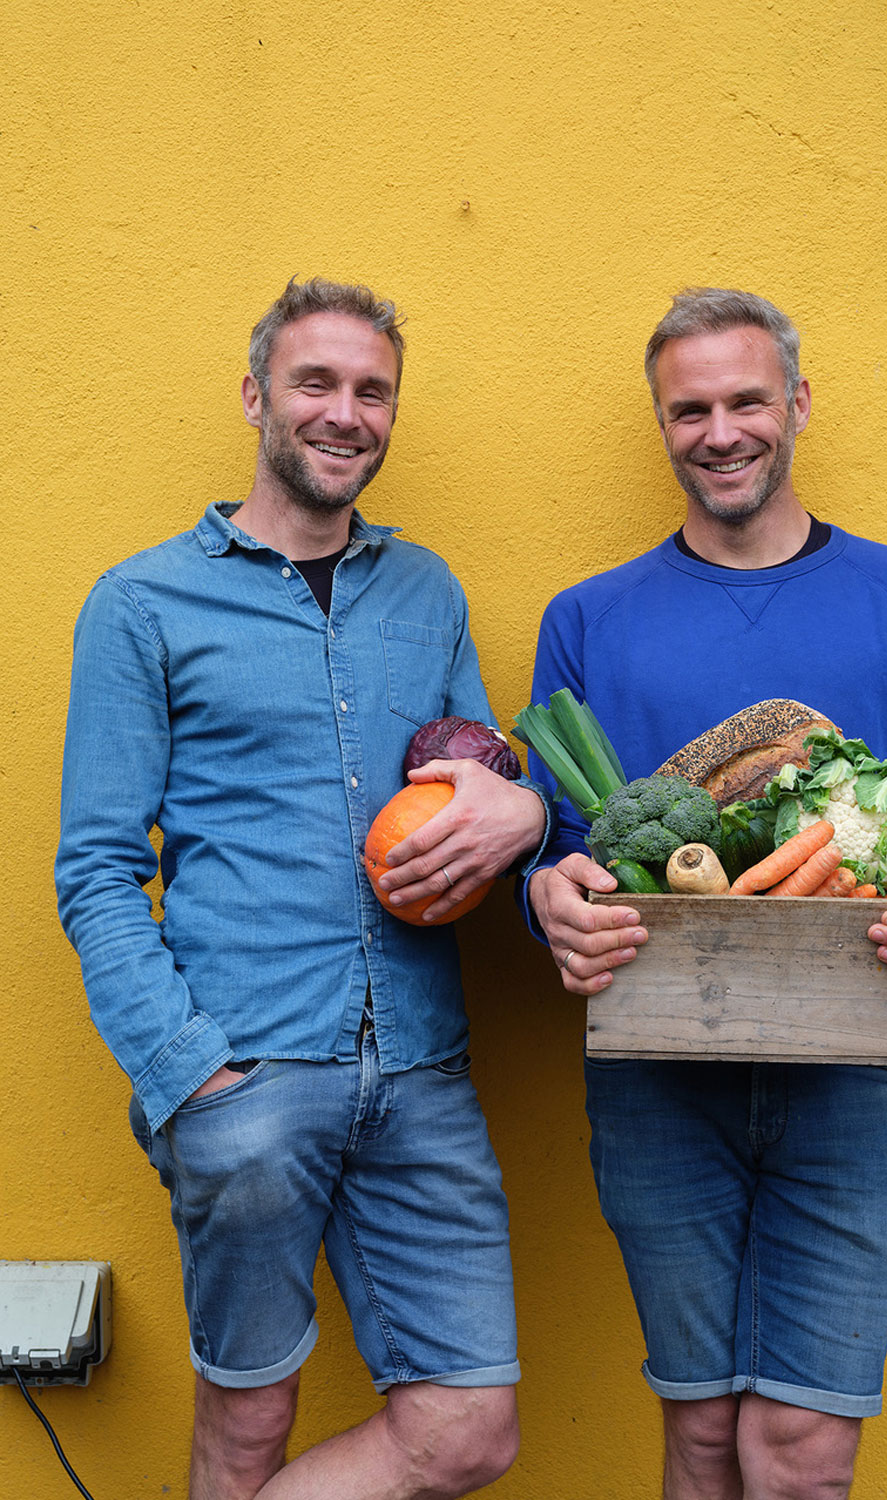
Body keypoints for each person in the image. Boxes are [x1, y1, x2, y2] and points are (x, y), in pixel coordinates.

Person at [55, 276, 549, 1500]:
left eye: (372, 390)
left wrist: (527, 810)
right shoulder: (141, 603)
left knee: (468, 1430)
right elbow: (98, 869)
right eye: (316, 382)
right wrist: (193, 1078)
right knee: (248, 1415)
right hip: (246, 1075)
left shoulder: (426, 590)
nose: (346, 411)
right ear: (256, 397)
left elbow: (467, 781)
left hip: (422, 1069)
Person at [522, 288, 887, 1499]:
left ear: (796, 403)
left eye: (745, 400)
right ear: (662, 425)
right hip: (653, 1077)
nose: (720, 431)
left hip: (849, 1069)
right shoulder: (585, 619)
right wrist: (548, 897)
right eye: (689, 409)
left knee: (800, 1456)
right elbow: (566, 844)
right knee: (696, 1438)